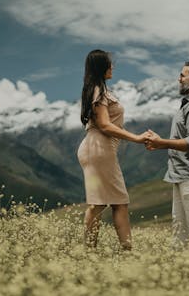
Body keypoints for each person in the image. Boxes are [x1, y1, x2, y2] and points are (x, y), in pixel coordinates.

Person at [77, 49, 148, 251]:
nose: (112, 67)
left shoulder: (96, 89)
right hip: (99, 148)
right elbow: (105, 125)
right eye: (109, 64)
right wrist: (137, 138)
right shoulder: (98, 90)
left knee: (102, 203)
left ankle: (90, 252)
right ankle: (126, 251)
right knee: (115, 202)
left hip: (96, 148)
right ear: (101, 67)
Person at [145, 62, 189, 251]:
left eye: (182, 75)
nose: (178, 79)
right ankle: (179, 272)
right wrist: (160, 145)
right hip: (182, 174)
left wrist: (162, 143)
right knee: (179, 229)